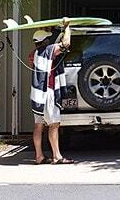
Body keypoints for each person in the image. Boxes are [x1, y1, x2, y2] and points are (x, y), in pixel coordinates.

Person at [30, 18, 73, 164]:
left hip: (36, 94)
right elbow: (65, 44)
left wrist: (50, 29)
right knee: (54, 125)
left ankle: (39, 156)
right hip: (48, 93)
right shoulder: (49, 50)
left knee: (38, 125)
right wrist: (67, 28)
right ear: (45, 41)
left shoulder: (34, 53)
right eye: (48, 39)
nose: (50, 41)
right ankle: (57, 156)